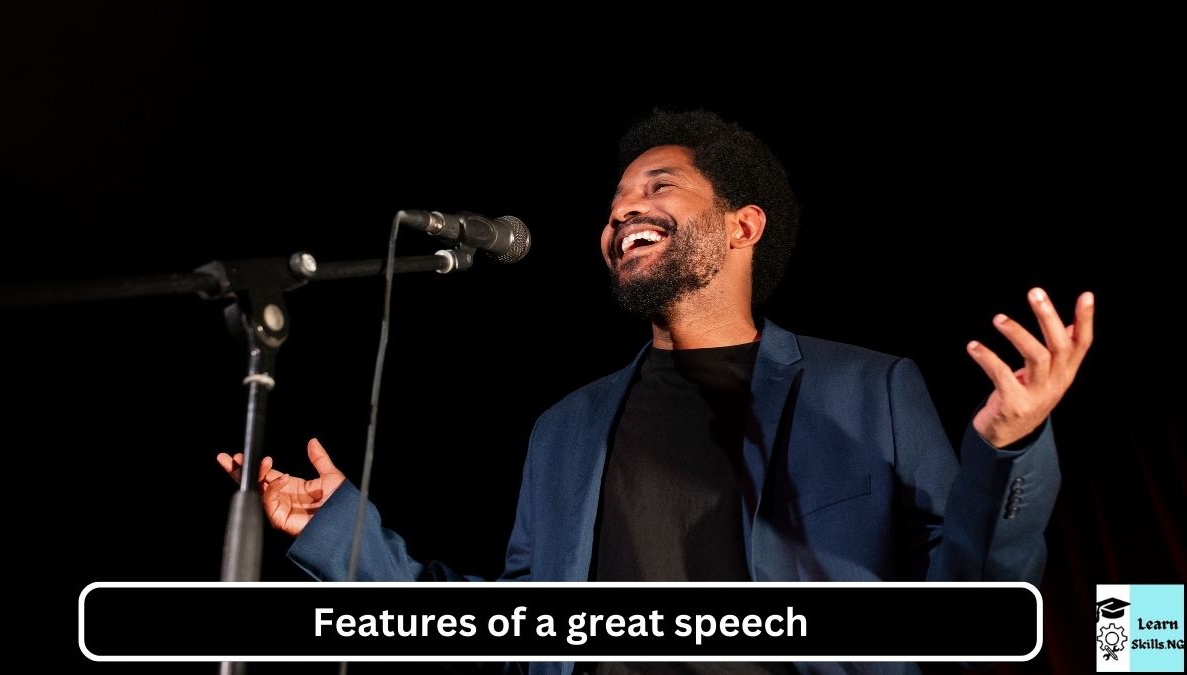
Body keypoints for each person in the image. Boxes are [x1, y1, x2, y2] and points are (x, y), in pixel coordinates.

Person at [218, 109, 1094, 674]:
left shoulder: (870, 389)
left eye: (657, 185)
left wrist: (1007, 446)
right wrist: (340, 529)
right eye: (614, 201)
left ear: (743, 224)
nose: (620, 212)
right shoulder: (564, 429)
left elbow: (976, 598)